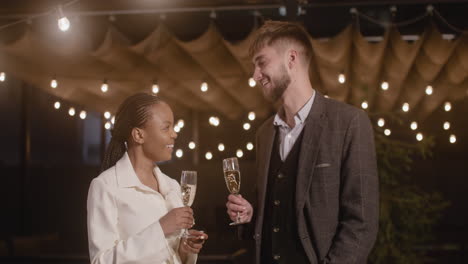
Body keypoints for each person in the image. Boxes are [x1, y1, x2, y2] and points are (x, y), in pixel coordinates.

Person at [226, 21, 379, 264]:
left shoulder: (349, 122)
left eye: (261, 62)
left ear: (291, 59)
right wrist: (251, 215)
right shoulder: (264, 134)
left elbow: (361, 223)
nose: (255, 75)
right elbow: (274, 214)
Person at [87, 93, 208, 264]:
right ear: (138, 135)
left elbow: (172, 257)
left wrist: (184, 250)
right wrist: (161, 228)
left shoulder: (172, 186)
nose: (174, 134)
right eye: (166, 128)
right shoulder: (105, 186)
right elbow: (101, 261)